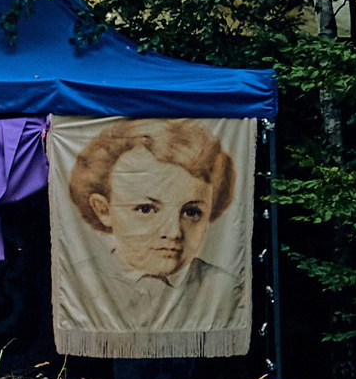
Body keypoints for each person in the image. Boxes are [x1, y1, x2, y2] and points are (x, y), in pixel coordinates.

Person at [64, 118, 240, 333]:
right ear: (103, 210)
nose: (173, 232)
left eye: (191, 212)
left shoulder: (224, 288)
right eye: (146, 209)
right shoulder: (78, 283)